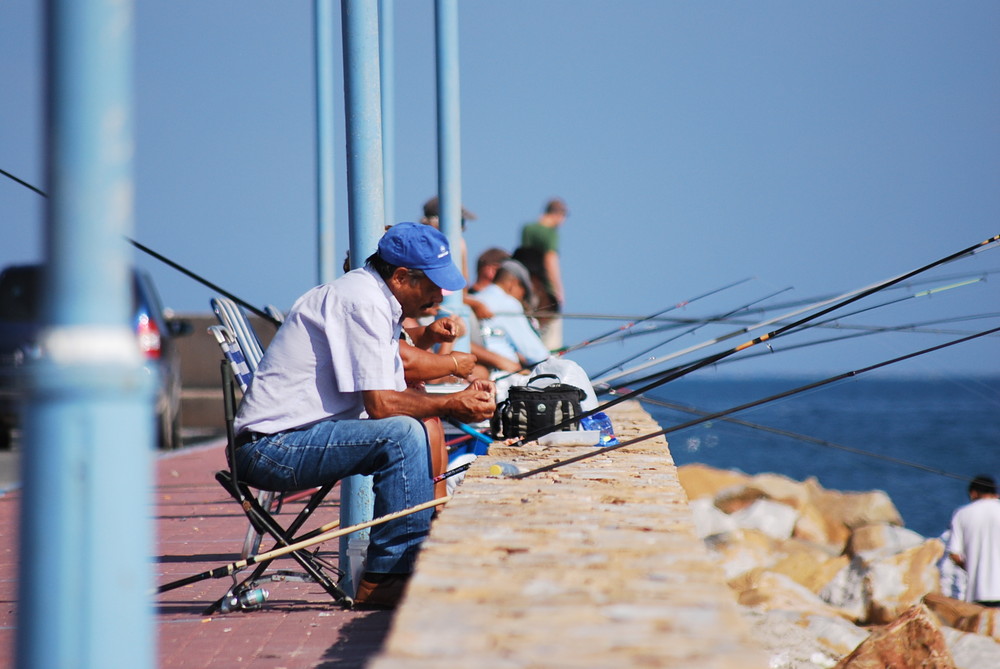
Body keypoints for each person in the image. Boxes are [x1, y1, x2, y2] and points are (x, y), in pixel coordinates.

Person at [233, 222, 496, 609]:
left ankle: (412, 555)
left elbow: (398, 384)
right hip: (271, 449)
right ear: (402, 276)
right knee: (403, 435)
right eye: (433, 285)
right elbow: (382, 405)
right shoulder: (361, 301)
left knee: (416, 425)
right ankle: (388, 578)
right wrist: (453, 401)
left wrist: (454, 398)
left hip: (296, 437)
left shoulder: (373, 297)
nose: (440, 296)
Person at [475, 259, 550, 369]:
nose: (522, 299)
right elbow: (535, 354)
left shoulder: (475, 298)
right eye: (523, 294)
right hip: (501, 375)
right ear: (513, 283)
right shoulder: (509, 304)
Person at [519, 198, 568, 350]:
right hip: (545, 292)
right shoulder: (550, 233)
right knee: (552, 337)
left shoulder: (528, 228)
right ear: (559, 215)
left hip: (527, 287)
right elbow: (550, 260)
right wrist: (558, 290)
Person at [948, 475, 1000, 606]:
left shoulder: (961, 514)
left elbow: (954, 554)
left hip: (976, 592)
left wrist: (971, 567)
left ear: (973, 493)